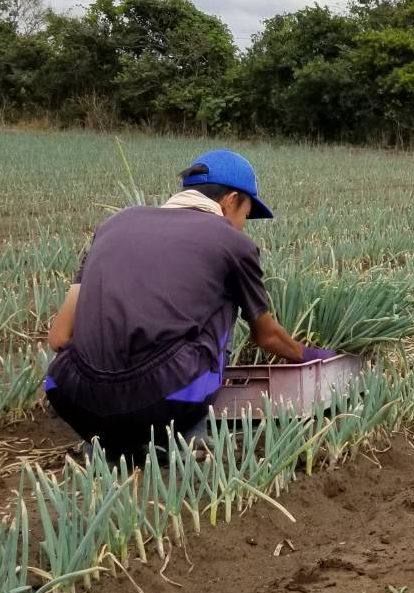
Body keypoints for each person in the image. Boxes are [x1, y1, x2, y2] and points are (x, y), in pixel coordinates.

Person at [44, 150, 323, 463]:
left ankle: (112, 443)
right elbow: (266, 336)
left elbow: (58, 338)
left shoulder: (112, 226)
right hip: (168, 401)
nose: (243, 225)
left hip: (71, 397)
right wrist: (310, 355)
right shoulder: (232, 243)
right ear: (230, 200)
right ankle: (189, 436)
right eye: (246, 213)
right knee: (223, 297)